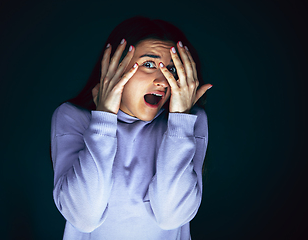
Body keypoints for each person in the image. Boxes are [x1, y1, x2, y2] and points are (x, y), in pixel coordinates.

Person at [50, 16, 212, 240]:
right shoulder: (73, 117)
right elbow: (83, 217)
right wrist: (104, 119)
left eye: (173, 70)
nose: (163, 81)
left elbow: (172, 216)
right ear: (114, 68)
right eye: (148, 64)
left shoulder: (190, 121)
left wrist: (180, 121)